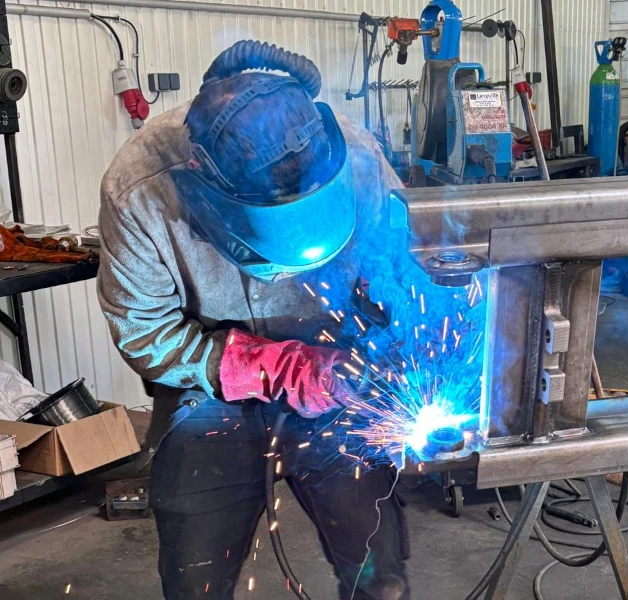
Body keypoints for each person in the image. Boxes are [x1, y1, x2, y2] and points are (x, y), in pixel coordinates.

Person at [98, 40, 410, 600]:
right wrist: (279, 370)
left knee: (380, 575)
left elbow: (405, 281)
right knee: (196, 582)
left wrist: (390, 344)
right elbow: (142, 331)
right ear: (204, 182)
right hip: (209, 388)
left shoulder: (361, 163)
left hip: (340, 380)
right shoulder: (141, 189)